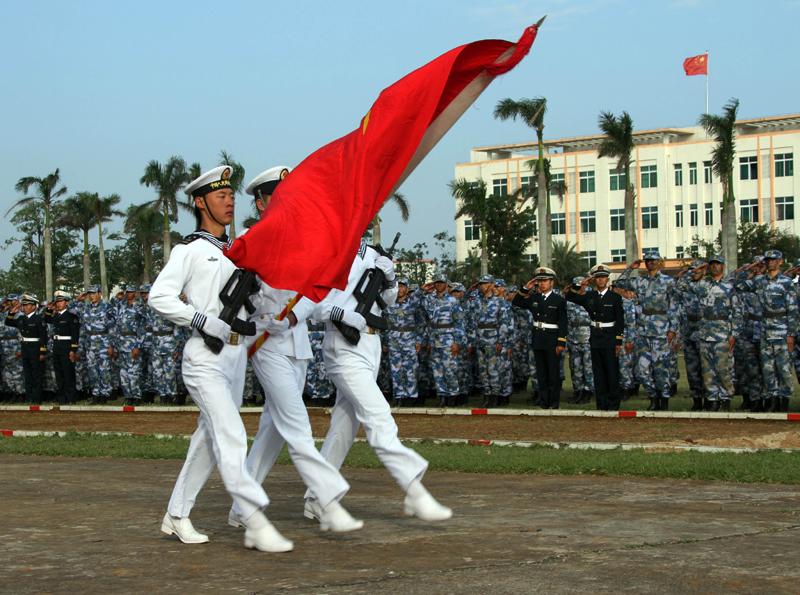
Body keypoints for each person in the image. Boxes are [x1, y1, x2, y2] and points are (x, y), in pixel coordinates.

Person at [149, 165, 292, 552]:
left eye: (231, 195)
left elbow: (257, 302)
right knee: (230, 433)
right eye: (219, 196)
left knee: (209, 439)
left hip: (235, 356)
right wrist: (202, 320)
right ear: (200, 202)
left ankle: (176, 514)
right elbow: (159, 297)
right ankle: (253, 517)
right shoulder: (190, 250)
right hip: (204, 356)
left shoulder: (239, 251)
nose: (228, 202)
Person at [228, 166, 361, 534]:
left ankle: (242, 505)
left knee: (272, 427)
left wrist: (293, 316)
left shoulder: (304, 238)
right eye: (279, 195)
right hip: (265, 341)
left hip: (295, 340)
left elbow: (317, 291)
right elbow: (236, 292)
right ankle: (326, 499)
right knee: (295, 422)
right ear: (260, 202)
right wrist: (264, 312)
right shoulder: (252, 239)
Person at [306, 239, 452, 523]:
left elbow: (388, 300)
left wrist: (390, 278)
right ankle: (414, 489)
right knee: (379, 416)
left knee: (343, 428)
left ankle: (316, 497)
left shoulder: (373, 254)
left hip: (371, 343)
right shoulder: (329, 250)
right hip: (343, 344)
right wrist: (341, 313)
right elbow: (311, 305)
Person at [735, 249, 798, 412]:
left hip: (782, 330)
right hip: (764, 331)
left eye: (773, 260)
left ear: (780, 262)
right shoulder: (759, 281)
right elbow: (738, 284)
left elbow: (792, 310)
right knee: (768, 368)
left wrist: (791, 334)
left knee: (783, 368)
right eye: (768, 260)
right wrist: (751, 269)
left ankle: (784, 399)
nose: (770, 262)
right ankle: (772, 398)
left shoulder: (786, 282)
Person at [617, 251, 680, 410]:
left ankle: (663, 399)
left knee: (661, 369)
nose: (650, 262)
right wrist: (631, 267)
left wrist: (673, 328)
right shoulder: (639, 281)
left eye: (653, 260)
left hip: (661, 330)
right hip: (643, 331)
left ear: (659, 262)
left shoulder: (668, 281)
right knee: (641, 370)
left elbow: (674, 306)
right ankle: (652, 395)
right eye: (648, 260)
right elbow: (619, 283)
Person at [564, 265, 625, 411]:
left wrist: (618, 340)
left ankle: (613, 404)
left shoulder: (615, 297)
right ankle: (601, 404)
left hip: (610, 336)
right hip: (596, 337)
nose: (601, 280)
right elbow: (569, 296)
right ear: (594, 280)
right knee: (598, 373)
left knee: (611, 371)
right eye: (597, 277)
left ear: (607, 279)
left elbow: (620, 320)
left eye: (603, 277)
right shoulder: (590, 296)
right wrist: (580, 284)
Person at [512, 267, 567, 409]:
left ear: (552, 283)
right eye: (540, 281)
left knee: (553, 373)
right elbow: (517, 301)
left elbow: (562, 322)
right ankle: (544, 402)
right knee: (541, 373)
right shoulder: (534, 298)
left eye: (545, 281)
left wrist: (561, 341)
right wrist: (526, 288)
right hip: (538, 338)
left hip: (552, 339)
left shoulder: (559, 300)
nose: (542, 284)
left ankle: (554, 403)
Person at [420, 273, 465, 407]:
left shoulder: (453, 301)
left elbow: (459, 323)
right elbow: (419, 305)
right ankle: (442, 396)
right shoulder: (429, 300)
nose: (438, 285)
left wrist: (457, 342)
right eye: (436, 282)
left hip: (448, 340)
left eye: (441, 282)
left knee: (449, 369)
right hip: (434, 339)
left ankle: (453, 396)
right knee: (437, 371)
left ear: (446, 284)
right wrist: (423, 290)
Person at [471, 275, 513, 408]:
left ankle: (495, 395)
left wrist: (500, 341)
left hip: (493, 339)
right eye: (481, 284)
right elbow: (472, 321)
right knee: (482, 370)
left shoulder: (499, 302)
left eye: (485, 283)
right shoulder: (477, 302)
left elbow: (504, 323)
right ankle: (487, 395)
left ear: (491, 284)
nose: (482, 286)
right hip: (480, 339)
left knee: (493, 369)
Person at [385, 277, 423, 406]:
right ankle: (399, 396)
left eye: (402, 286)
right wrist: (385, 341)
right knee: (396, 369)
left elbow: (421, 323)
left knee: (411, 369)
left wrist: (418, 340)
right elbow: (384, 324)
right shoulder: (389, 304)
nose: (400, 289)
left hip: (409, 339)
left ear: (407, 289)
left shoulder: (413, 304)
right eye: (398, 286)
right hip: (393, 340)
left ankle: (411, 396)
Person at [6, 293, 47, 403]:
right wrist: (11, 313)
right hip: (25, 349)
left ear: (34, 306)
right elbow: (8, 322)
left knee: (37, 375)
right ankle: (29, 398)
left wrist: (42, 352)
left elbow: (43, 336)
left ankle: (37, 399)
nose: (24, 307)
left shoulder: (39, 319)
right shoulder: (21, 318)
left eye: (27, 305)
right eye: (23, 305)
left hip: (36, 349)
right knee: (27, 375)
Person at [79, 285, 116, 404]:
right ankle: (95, 394)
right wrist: (79, 299)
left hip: (103, 342)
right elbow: (83, 329)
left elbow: (112, 328)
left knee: (104, 370)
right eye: (90, 293)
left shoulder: (107, 307)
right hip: (90, 343)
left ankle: (105, 394)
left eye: (94, 293)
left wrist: (111, 345)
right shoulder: (86, 308)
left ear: (100, 293)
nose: (91, 296)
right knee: (92, 370)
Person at [44, 290, 80, 404]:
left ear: (66, 303)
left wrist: (73, 350)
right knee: (59, 374)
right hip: (57, 347)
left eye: (61, 301)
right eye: (57, 302)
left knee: (68, 373)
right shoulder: (55, 316)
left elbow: (75, 335)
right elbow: (46, 319)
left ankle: (70, 397)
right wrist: (49, 309)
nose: (58, 304)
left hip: (66, 347)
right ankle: (62, 398)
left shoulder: (71, 316)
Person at [565, 276, 594, 405]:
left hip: (588, 337)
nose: (581, 288)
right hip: (573, 337)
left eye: (582, 285)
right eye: (577, 286)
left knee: (588, 367)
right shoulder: (569, 300)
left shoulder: (591, 298)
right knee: (575, 366)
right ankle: (578, 391)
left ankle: (588, 392)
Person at [116, 285, 146, 405]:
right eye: (127, 292)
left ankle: (136, 396)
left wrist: (137, 345)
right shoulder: (121, 306)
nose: (129, 294)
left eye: (131, 292)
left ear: (136, 293)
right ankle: (128, 396)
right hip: (121, 342)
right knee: (123, 372)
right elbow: (116, 325)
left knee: (134, 371)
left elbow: (142, 327)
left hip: (133, 342)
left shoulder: (139, 307)